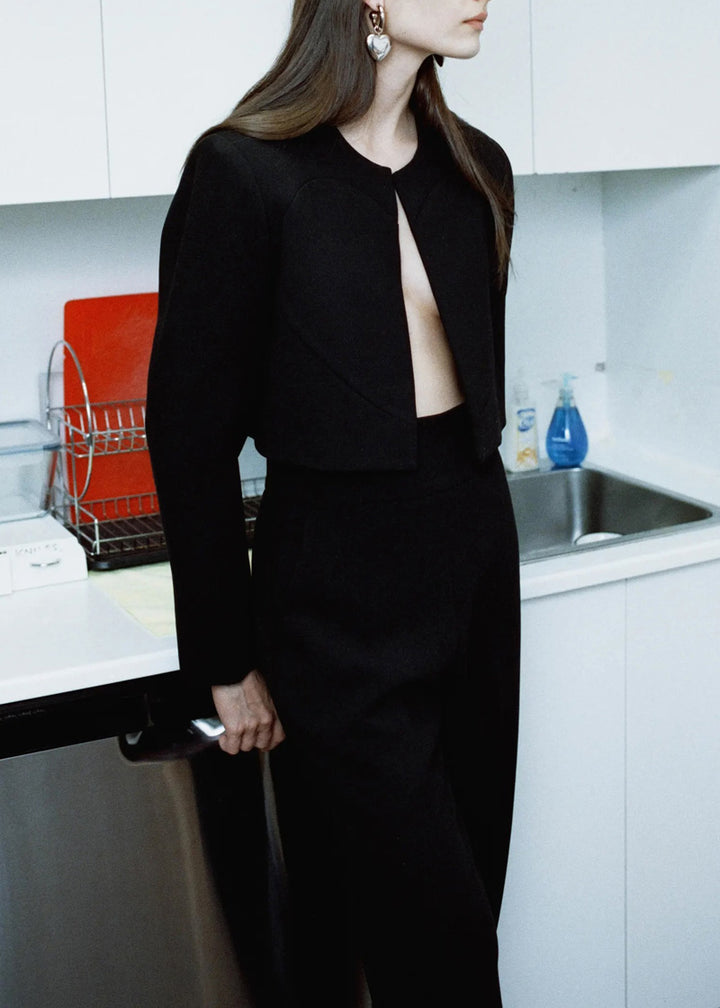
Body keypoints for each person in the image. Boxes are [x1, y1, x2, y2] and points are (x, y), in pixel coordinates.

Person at [146, 1, 520, 1005]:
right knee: (445, 962)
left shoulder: (477, 168)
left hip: (475, 582)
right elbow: (188, 438)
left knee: (457, 911)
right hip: (338, 612)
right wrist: (224, 662)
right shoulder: (244, 173)